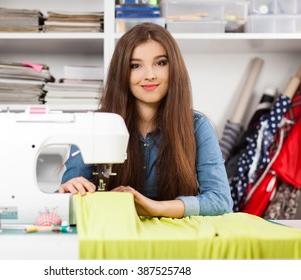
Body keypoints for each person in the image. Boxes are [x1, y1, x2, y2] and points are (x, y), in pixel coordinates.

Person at [59, 23, 233, 218]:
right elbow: (68, 196)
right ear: (122, 73)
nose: (150, 75)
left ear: (174, 67)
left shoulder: (198, 127)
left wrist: (153, 207)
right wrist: (70, 190)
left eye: (160, 63)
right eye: (136, 65)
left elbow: (220, 201)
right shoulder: (94, 125)